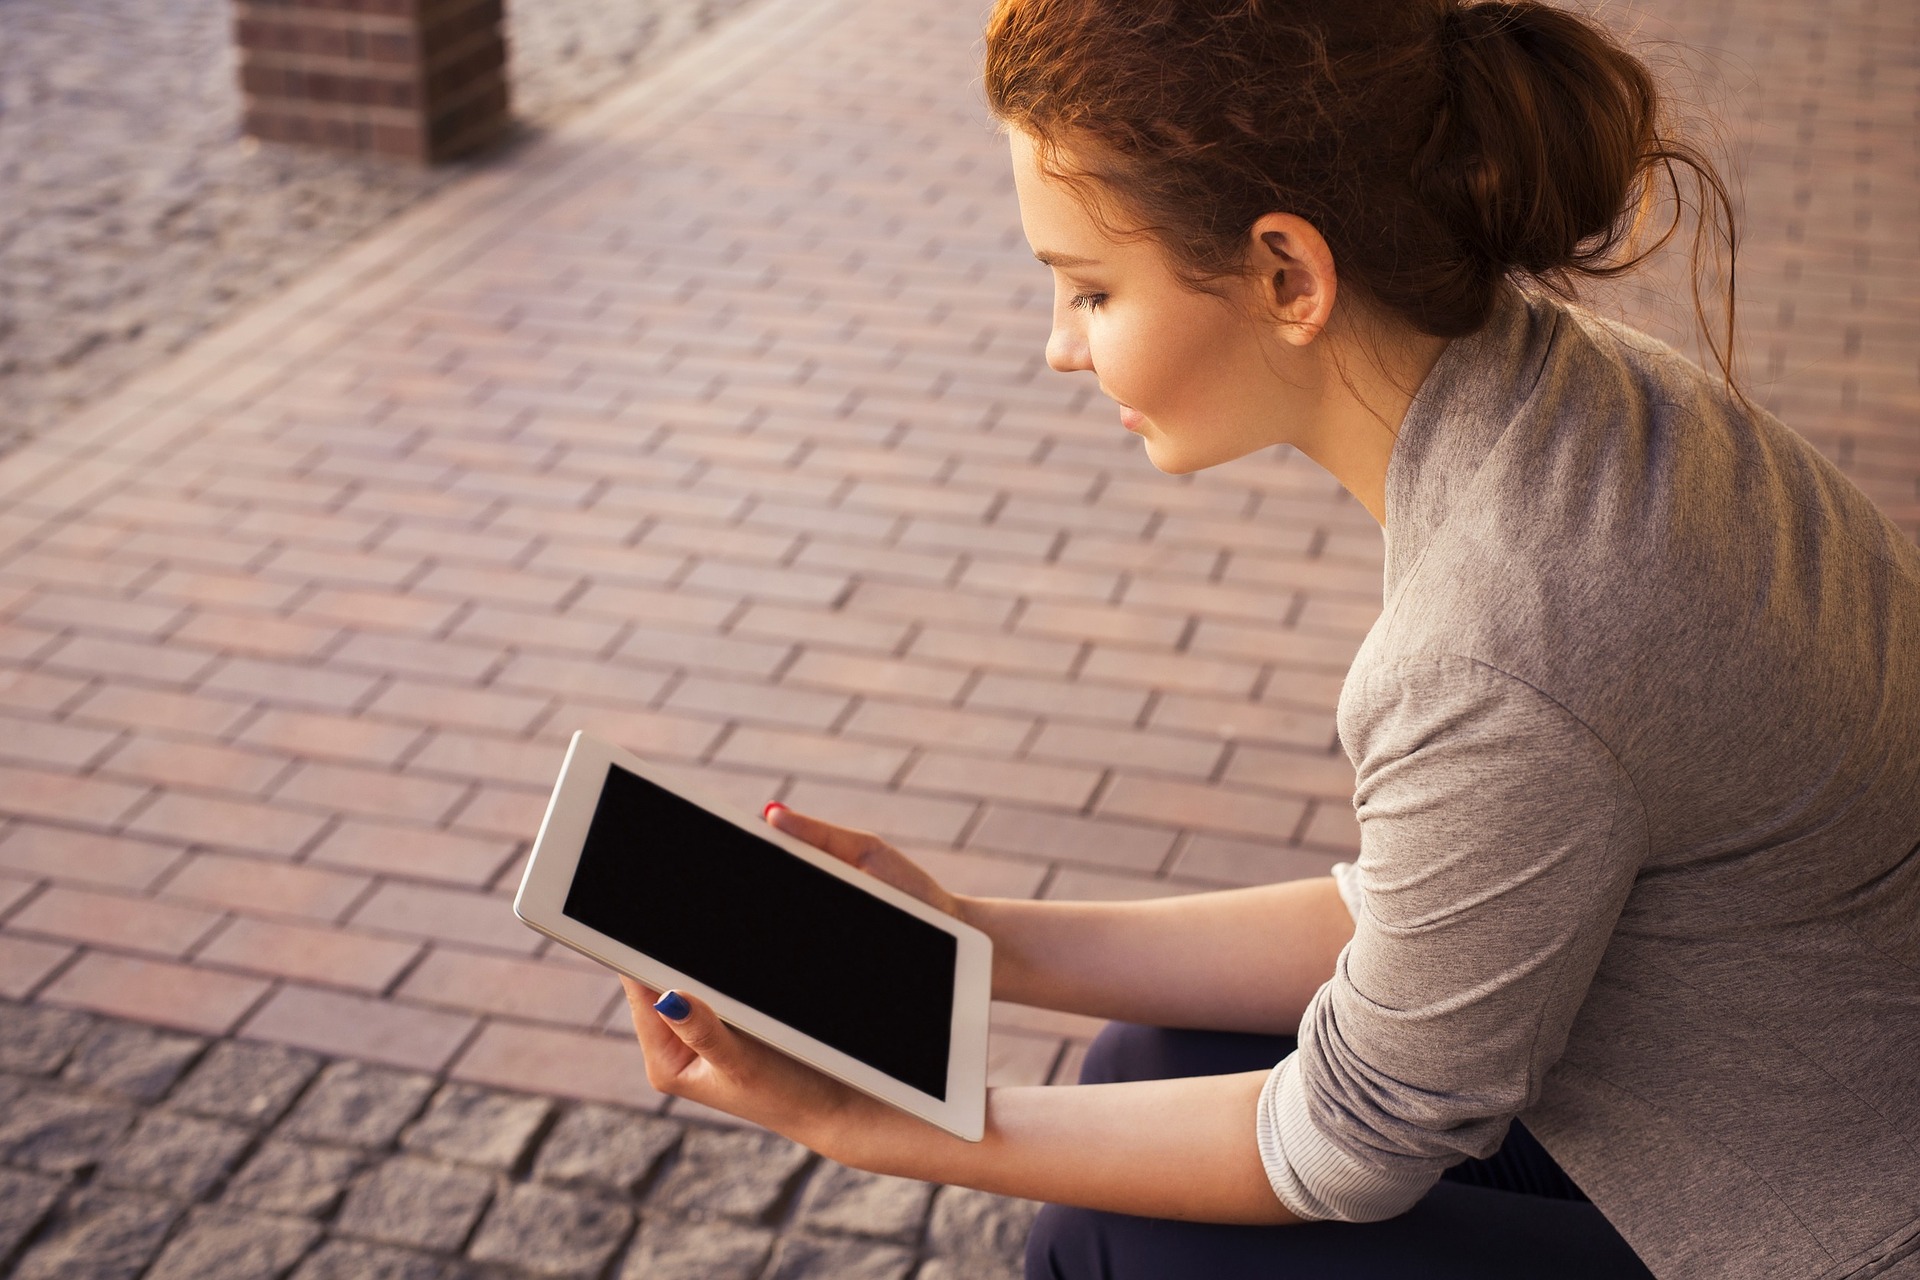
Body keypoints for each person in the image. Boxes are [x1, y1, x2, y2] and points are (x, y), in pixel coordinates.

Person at [618, 0, 1920, 1276]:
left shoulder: (1498, 639)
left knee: (1114, 1242)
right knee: (1149, 1056)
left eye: (1089, 290)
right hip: (1768, 1110)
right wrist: (972, 939)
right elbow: (1439, 896)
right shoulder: (1572, 396)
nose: (1059, 349)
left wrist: (876, 1125)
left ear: (1289, 275)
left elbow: (1356, 1141)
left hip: (1823, 1226)